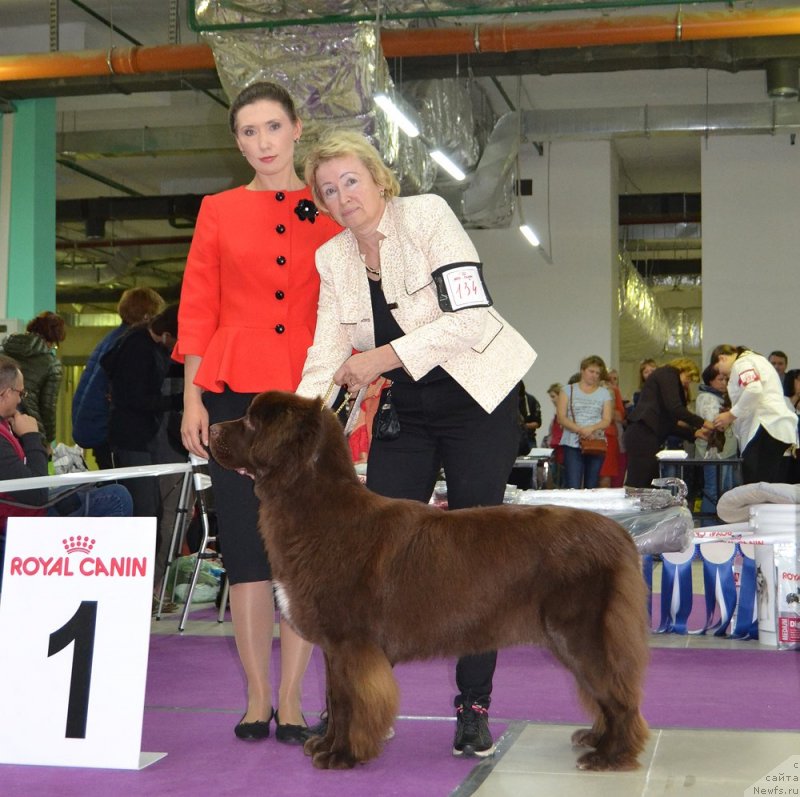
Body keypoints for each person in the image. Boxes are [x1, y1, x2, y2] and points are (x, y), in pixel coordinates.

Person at [296, 128, 536, 758]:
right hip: (409, 406)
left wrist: (380, 356)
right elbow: (324, 355)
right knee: (365, 557)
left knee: (476, 555)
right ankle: (358, 704)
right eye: (328, 189)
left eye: (351, 180)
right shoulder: (332, 259)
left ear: (378, 178)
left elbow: (472, 315)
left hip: (478, 397)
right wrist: (301, 431)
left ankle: (474, 707)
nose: (342, 195)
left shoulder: (426, 215)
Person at [174, 81, 341, 744]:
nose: (263, 142)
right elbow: (198, 306)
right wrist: (193, 395)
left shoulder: (331, 204)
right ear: (237, 140)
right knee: (246, 551)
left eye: (273, 127)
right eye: (249, 131)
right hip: (233, 398)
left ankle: (295, 699)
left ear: (297, 129)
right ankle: (254, 697)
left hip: (309, 399)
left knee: (300, 556)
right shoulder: (216, 210)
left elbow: (350, 308)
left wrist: (348, 403)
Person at [0, 355, 132, 585]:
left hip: (20, 509)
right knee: (117, 497)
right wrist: (31, 437)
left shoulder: (5, 426)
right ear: (5, 393)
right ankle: (98, 584)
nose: (22, 400)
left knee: (86, 490)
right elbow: (35, 493)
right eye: (21, 393)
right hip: (22, 517)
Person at [102, 304, 183, 589]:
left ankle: (140, 585)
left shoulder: (137, 343)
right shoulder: (138, 350)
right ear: (167, 333)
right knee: (145, 513)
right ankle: (136, 586)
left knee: (148, 511)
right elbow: (133, 398)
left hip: (137, 440)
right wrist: (176, 402)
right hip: (133, 439)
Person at [72, 287, 165, 469]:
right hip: (106, 432)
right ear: (147, 316)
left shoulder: (112, 339)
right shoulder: (131, 344)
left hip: (90, 425)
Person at [710, 345, 798, 484]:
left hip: (764, 427)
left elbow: (754, 389)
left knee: (755, 484)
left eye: (718, 369)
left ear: (722, 358)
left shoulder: (742, 363)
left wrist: (730, 415)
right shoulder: (756, 360)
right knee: (764, 483)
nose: (722, 375)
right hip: (774, 428)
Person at [623, 358, 711, 488]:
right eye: (689, 377)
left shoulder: (662, 383)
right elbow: (675, 408)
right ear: (683, 369)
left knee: (647, 482)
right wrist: (703, 423)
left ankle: (641, 506)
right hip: (643, 434)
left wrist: (694, 433)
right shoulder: (669, 373)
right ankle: (633, 507)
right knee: (640, 482)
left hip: (644, 435)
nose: (688, 383)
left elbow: (669, 424)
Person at [1, 311, 66, 445]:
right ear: (51, 339)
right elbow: (48, 407)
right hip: (27, 429)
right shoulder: (51, 363)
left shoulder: (3, 350)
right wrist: (47, 440)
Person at [556, 355, 613, 489]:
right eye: (591, 371)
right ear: (582, 370)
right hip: (572, 443)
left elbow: (606, 419)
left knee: (592, 485)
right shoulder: (567, 390)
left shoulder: (604, 393)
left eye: (597, 373)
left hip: (595, 442)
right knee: (573, 484)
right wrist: (580, 430)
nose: (594, 376)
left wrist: (591, 429)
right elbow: (562, 417)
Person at [695, 363, 739, 521]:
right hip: (713, 453)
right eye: (720, 379)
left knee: (726, 490)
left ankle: (721, 526)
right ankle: (709, 527)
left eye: (726, 379)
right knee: (713, 491)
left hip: (727, 451)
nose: (724, 383)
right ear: (710, 381)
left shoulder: (724, 397)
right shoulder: (707, 397)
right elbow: (716, 423)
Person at [599, 368, 626, 488]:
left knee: (607, 475)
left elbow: (619, 415)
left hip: (609, 436)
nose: (612, 381)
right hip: (595, 435)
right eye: (609, 379)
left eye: (615, 379)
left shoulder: (613, 391)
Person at [542, 382, 564, 488]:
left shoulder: (563, 413)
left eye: (553, 396)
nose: (552, 400)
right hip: (556, 451)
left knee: (560, 479)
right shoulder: (558, 413)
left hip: (560, 450)